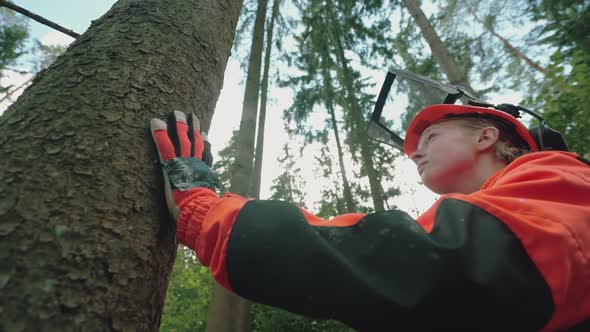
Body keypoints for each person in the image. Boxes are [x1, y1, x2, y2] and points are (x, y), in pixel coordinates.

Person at [150, 103, 590, 331]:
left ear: (488, 136)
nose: (415, 151)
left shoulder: (560, 177)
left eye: (432, 136)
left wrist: (208, 213)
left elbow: (427, 267)